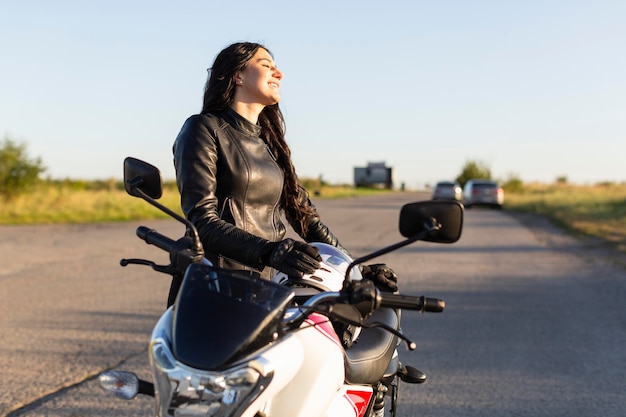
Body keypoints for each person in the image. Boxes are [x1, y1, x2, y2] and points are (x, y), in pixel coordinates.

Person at [171, 42, 396, 306]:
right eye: (266, 65)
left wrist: (355, 270)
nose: (279, 74)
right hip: (216, 287)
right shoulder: (203, 128)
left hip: (267, 289)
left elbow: (305, 217)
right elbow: (202, 220)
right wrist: (268, 251)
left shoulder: (271, 145)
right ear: (238, 75)